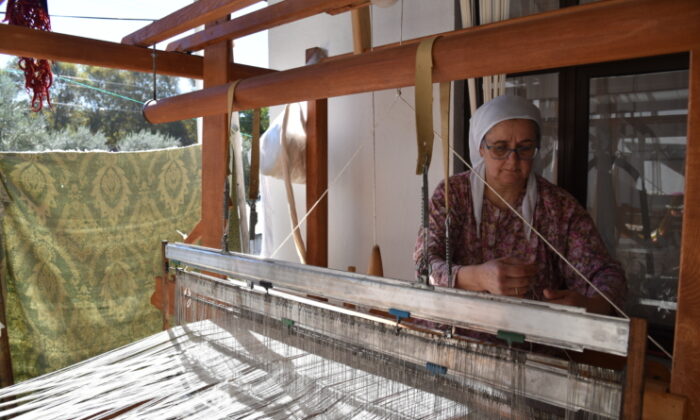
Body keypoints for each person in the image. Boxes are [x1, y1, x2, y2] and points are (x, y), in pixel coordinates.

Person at [413, 95, 626, 315]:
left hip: (530, 338)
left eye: (525, 148)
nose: (513, 161)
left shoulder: (558, 207)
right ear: (481, 148)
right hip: (455, 332)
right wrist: (477, 277)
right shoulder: (452, 194)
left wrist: (591, 305)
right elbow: (424, 265)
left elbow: (606, 273)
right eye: (500, 148)